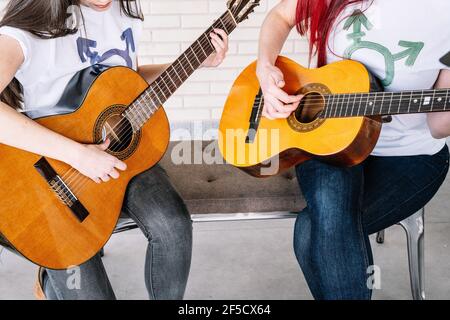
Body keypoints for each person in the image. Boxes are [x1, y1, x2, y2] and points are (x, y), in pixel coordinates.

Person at [0, 0, 229, 300]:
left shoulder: (122, 10)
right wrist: (78, 155)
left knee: (173, 227)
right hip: (49, 178)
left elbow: (124, 85)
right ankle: (50, 277)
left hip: (119, 159)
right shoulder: (27, 28)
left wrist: (195, 62)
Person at [257, 0, 450, 299]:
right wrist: (265, 67)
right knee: (330, 219)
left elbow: (438, 125)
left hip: (410, 155)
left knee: (310, 232)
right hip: (326, 137)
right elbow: (280, 16)